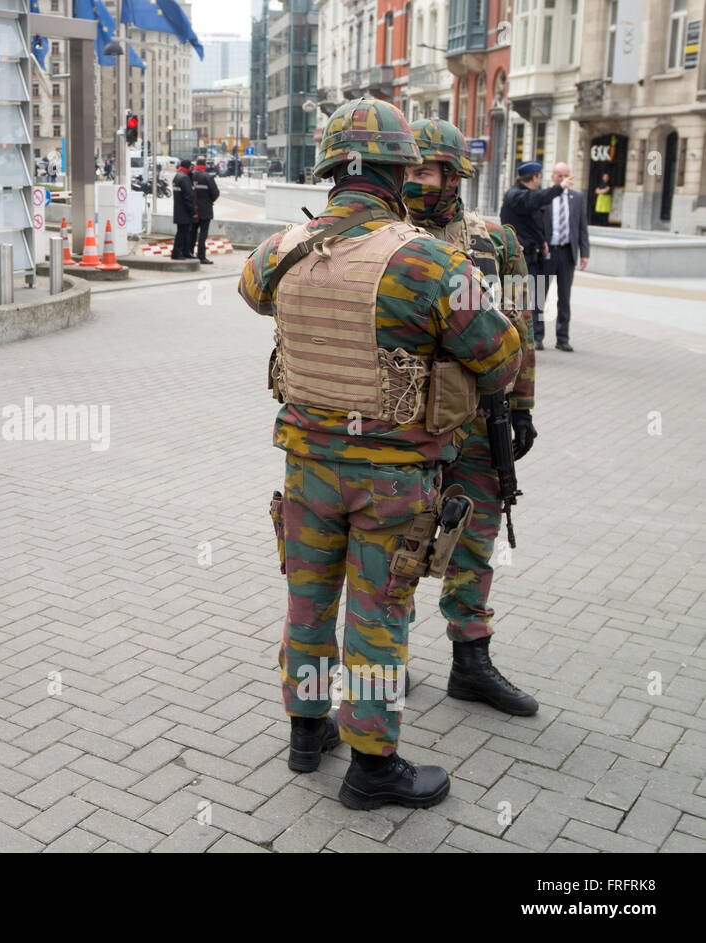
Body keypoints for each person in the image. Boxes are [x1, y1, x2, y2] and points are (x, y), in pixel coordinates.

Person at [238, 98, 521, 810]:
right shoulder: (427, 261)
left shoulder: (279, 251)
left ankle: (308, 733)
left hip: (306, 470)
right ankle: (372, 766)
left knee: (306, 601)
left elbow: (252, 293)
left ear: (330, 169)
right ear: (399, 172)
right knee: (376, 615)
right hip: (392, 481)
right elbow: (500, 354)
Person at [403, 118, 540, 716]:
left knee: (476, 539)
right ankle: (390, 656)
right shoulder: (388, 237)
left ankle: (471, 660)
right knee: (400, 537)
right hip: (407, 420)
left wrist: (523, 406)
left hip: (480, 421)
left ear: (454, 176)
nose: (413, 182)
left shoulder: (497, 241)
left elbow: (521, 327)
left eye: (425, 171)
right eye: (406, 170)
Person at [500, 160, 566, 350]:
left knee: (535, 299)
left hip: (533, 255)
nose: (539, 181)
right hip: (520, 259)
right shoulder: (516, 195)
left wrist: (542, 241)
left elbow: (533, 224)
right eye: (539, 177)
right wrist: (559, 188)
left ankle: (533, 337)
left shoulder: (524, 196)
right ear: (534, 177)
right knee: (518, 300)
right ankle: (518, 338)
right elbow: (536, 200)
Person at [541, 162, 588, 352]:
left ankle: (563, 338)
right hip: (547, 252)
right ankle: (537, 336)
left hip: (567, 252)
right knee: (539, 295)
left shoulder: (577, 198)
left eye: (566, 175)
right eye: (559, 176)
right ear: (553, 177)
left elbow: (582, 227)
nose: (563, 179)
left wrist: (585, 253)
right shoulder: (545, 197)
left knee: (565, 297)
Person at [190, 158, 220, 264]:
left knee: (192, 233)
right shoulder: (208, 177)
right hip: (205, 210)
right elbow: (216, 193)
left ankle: (189, 253)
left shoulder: (191, 176)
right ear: (205, 165)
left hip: (193, 210)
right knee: (203, 235)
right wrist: (209, 201)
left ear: (196, 164)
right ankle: (201, 256)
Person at [171, 159, 198, 259]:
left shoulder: (177, 176)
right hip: (185, 212)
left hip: (178, 210)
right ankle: (177, 253)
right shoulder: (185, 178)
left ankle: (184, 252)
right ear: (188, 167)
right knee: (183, 233)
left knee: (182, 232)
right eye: (191, 167)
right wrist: (193, 211)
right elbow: (188, 196)